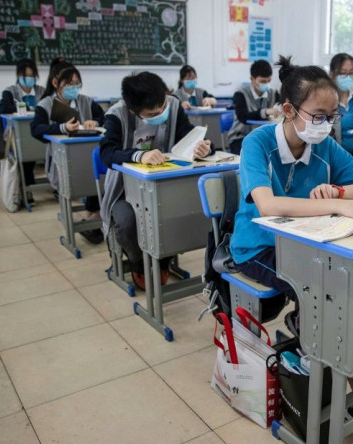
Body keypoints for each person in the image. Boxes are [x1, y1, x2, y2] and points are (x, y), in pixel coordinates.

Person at [230, 55, 353, 444]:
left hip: (311, 243)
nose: (327, 123)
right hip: (257, 247)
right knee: (328, 296)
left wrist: (340, 193)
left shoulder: (325, 146)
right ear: (289, 110)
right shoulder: (256, 143)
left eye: (333, 114)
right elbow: (267, 206)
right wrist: (337, 207)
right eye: (320, 114)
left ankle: (337, 355)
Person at [99, 72, 212, 290]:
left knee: (175, 213)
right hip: (125, 190)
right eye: (153, 113)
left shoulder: (173, 105)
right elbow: (106, 153)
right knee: (127, 221)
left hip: (164, 186)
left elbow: (189, 136)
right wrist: (139, 155)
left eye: (162, 107)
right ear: (134, 110)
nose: (161, 113)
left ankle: (163, 259)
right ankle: (138, 261)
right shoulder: (117, 114)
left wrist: (204, 147)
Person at [31, 63, 105, 244]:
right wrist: (61, 128)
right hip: (62, 160)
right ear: (56, 83)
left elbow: (105, 118)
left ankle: (93, 216)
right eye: (69, 84)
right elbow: (36, 129)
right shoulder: (45, 105)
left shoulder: (86, 101)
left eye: (77, 84)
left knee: (94, 181)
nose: (74, 88)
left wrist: (93, 122)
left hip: (88, 155)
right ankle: (87, 220)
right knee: (74, 184)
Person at [0, 58, 45, 201]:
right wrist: (29, 109)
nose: (29, 79)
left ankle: (56, 187)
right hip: (18, 135)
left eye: (32, 75)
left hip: (39, 132)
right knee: (26, 156)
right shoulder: (10, 92)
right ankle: (27, 190)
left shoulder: (41, 91)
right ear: (19, 75)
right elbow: (5, 108)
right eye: (25, 76)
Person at [226, 59, 281, 154]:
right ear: (252, 79)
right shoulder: (241, 94)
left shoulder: (273, 93)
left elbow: (283, 105)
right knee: (257, 153)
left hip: (264, 137)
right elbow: (243, 117)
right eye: (263, 81)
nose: (267, 84)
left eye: (269, 81)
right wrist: (265, 112)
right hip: (240, 137)